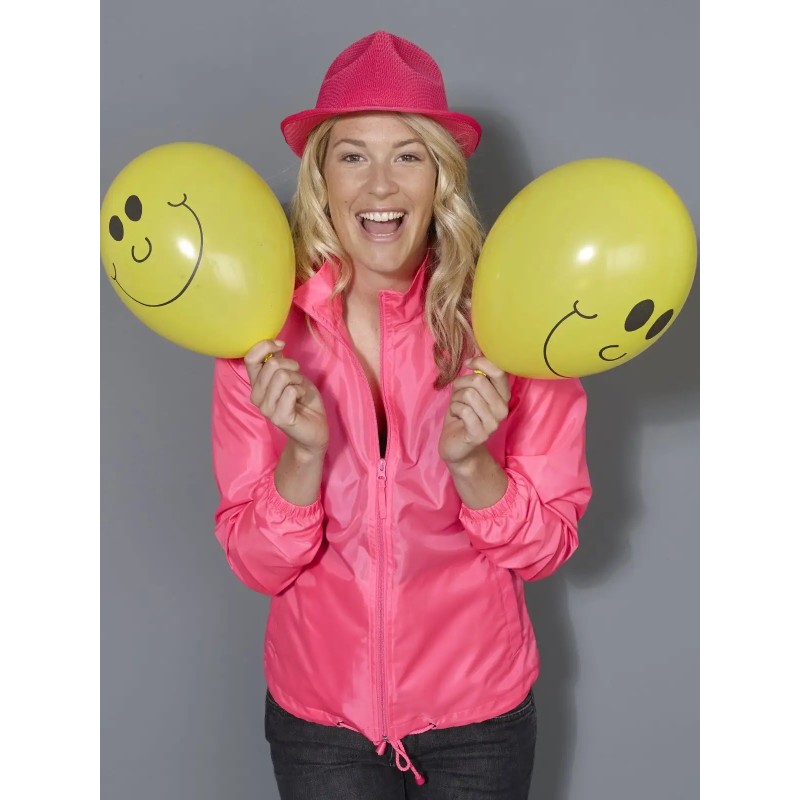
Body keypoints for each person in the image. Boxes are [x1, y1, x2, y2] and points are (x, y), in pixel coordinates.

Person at [211, 30, 592, 799]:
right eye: (353, 156)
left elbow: (545, 547)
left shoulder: (515, 326)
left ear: (440, 177)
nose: (380, 185)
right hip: (322, 721)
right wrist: (301, 460)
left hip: (478, 716)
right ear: (321, 177)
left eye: (408, 155)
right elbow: (256, 565)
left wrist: (475, 468)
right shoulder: (260, 334)